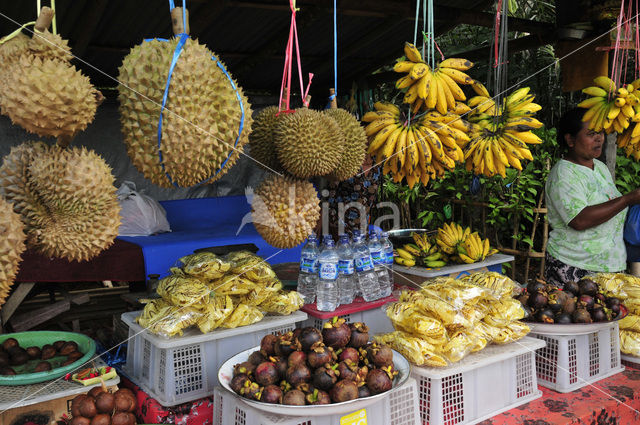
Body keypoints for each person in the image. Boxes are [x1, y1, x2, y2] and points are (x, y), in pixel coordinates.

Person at [544, 108, 640, 288]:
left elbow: (610, 209)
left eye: (601, 132)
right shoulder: (563, 174)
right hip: (574, 269)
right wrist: (628, 199)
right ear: (570, 140)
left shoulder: (600, 167)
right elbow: (579, 220)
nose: (599, 138)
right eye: (591, 134)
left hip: (609, 268)